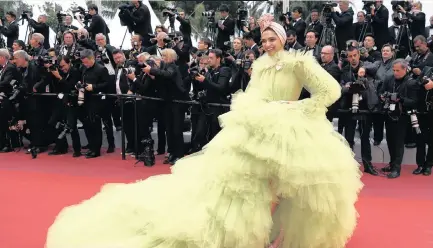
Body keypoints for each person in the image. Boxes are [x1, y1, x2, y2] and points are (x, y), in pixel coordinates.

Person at [45, 14, 363, 248]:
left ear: (283, 37)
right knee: (251, 187)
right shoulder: (262, 64)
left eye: (272, 38)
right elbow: (254, 94)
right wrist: (254, 112)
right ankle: (262, 236)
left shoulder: (300, 63)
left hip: (289, 131)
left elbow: (330, 91)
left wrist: (300, 109)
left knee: (285, 188)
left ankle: (271, 234)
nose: (267, 44)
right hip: (255, 129)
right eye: (264, 39)